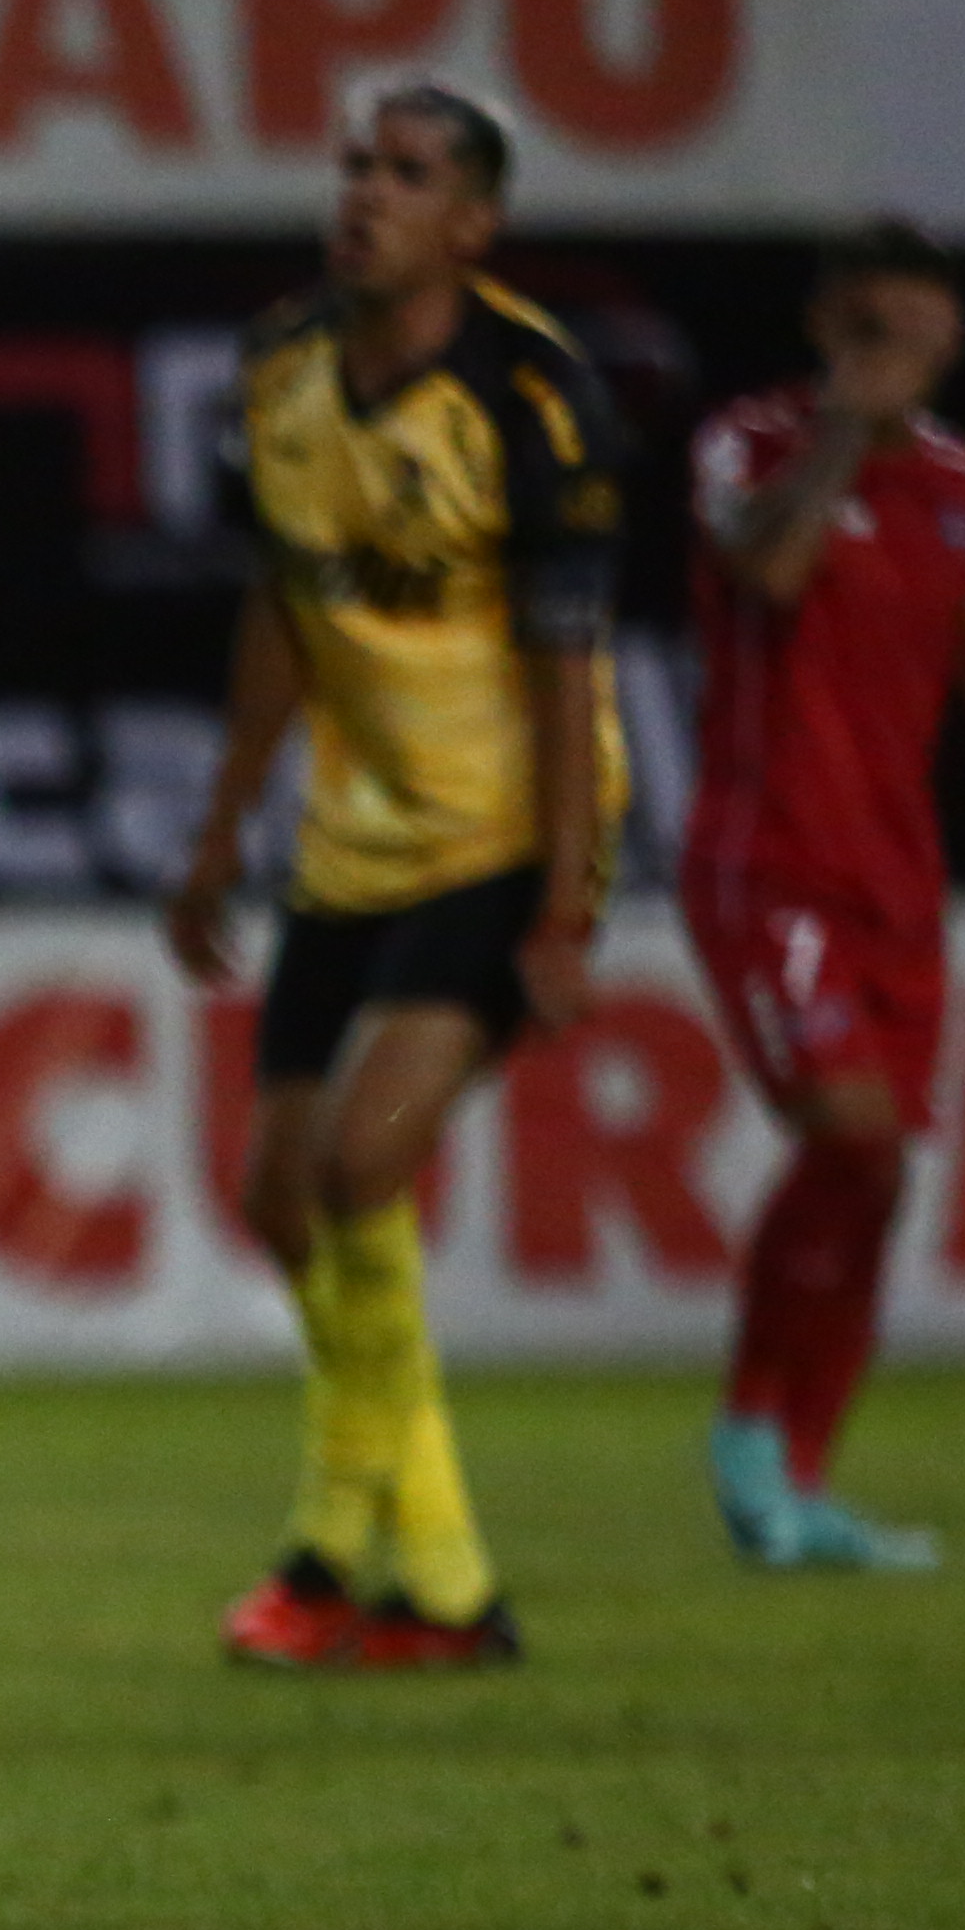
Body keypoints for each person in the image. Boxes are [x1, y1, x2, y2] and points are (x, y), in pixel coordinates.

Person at [165, 81, 631, 1672]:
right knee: (279, 1198)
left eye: (409, 173)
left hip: (503, 834)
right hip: (347, 844)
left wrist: (566, 901)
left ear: (473, 224)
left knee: (362, 1164)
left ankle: (328, 1553)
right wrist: (224, 826)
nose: (364, 191)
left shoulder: (533, 394)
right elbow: (280, 612)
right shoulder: (279, 369)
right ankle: (441, 1585)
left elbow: (571, 670)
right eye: (355, 162)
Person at [682, 223, 965, 1568]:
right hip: (767, 860)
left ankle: (799, 1480)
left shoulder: (959, 481)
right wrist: (843, 433)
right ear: (827, 325)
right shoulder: (751, 446)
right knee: (857, 1139)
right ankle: (746, 1438)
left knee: (878, 1184)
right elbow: (767, 571)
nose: (907, 363)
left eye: (929, 340)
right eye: (879, 333)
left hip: (898, 871)